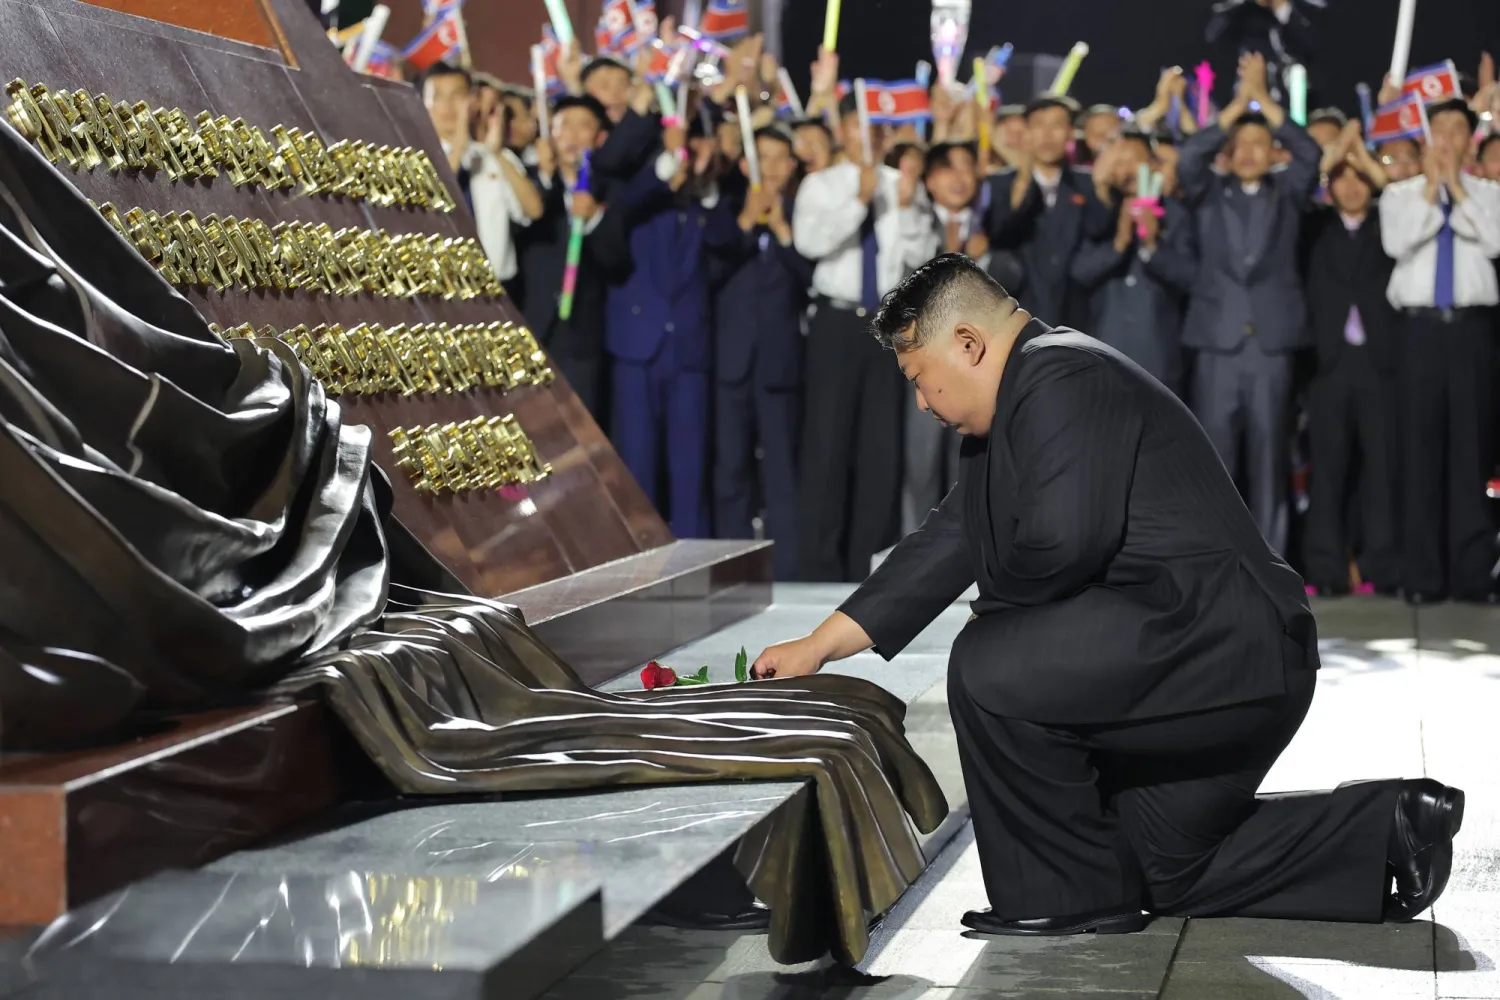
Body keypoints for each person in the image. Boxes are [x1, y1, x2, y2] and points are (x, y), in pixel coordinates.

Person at [750, 252, 1464, 937]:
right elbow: (952, 539)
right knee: (1165, 865)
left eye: (918, 375)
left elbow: (1065, 542)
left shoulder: (1060, 374)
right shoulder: (1023, 396)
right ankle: (1388, 830)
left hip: (1221, 648)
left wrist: (992, 624)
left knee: (990, 666)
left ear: (967, 342)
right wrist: (820, 646)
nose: (921, 401)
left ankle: (1064, 897)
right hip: (1217, 655)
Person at [1177, 52, 1321, 556]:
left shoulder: (1288, 192)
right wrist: (1237, 105)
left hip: (1271, 346)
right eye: (1241, 144)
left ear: (1271, 151)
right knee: (1214, 462)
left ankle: (1270, 564)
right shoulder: (1208, 192)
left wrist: (1268, 104)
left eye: (1260, 144)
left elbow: (1311, 155)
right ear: (1230, 150)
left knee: (1269, 462)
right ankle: (1215, 560)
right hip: (1217, 343)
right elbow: (1189, 156)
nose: (1249, 152)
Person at [792, 91, 938, 581]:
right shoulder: (821, 184)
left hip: (888, 323)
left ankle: (869, 564)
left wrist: (910, 209)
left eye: (877, 129)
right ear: (844, 133)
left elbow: (923, 257)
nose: (868, 137)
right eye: (859, 128)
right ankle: (821, 566)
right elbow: (810, 242)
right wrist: (860, 201)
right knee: (828, 444)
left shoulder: (903, 184)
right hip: (837, 321)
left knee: (880, 446)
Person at [1380, 98, 1500, 604]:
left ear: (1471, 139)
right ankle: (1423, 578)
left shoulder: (1490, 193)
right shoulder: (1402, 194)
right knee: (1419, 450)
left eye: (1458, 128)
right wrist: (1434, 190)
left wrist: (1458, 191)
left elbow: (1494, 241)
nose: (1448, 138)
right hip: (1419, 333)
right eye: (1440, 129)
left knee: (1472, 454)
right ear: (1427, 136)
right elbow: (1397, 244)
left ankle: (1472, 576)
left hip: (1472, 331)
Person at [605, 113, 739, 538]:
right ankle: (639, 556)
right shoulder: (639, 197)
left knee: (690, 467)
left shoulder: (705, 205)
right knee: (638, 465)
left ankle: (691, 560)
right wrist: (668, 160)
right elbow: (628, 201)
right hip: (638, 350)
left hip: (688, 351)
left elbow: (730, 242)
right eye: (688, 146)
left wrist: (705, 181)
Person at [710, 124, 812, 580]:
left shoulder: (801, 215)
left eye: (779, 159)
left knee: (782, 474)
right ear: (746, 164)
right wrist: (747, 222)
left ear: (791, 167)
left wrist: (782, 230)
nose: (770, 168)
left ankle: (787, 570)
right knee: (730, 468)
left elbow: (811, 277)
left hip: (779, 364)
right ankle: (733, 571)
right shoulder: (728, 212)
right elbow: (709, 267)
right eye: (762, 158)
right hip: (732, 361)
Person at [1301, 122, 1400, 596]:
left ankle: (1379, 564)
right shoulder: (1313, 227)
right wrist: (1336, 153)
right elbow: (1300, 188)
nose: (1352, 185)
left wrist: (1365, 160)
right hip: (1329, 366)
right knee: (1329, 470)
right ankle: (1325, 568)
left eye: (1359, 176)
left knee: (1381, 470)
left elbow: (1397, 195)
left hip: (1381, 365)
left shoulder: (1391, 224)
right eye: (1341, 177)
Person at [513, 94, 628, 423]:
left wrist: (594, 220)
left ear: (599, 137)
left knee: (582, 433)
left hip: (582, 337)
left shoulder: (610, 190)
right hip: (532, 330)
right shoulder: (530, 180)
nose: (573, 136)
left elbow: (618, 263)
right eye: (564, 126)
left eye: (584, 127)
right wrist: (544, 179)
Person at [1070, 128, 1196, 395]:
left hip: (1158, 359)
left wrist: (1152, 245)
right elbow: (1079, 272)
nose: (1125, 169)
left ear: (1152, 164)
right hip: (1102, 354)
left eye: (1134, 160)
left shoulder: (1175, 215)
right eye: (1119, 160)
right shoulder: (1098, 213)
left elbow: (1190, 278)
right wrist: (1118, 244)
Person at [904, 141, 988, 534]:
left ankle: (971, 551)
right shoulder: (912, 224)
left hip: (977, 370)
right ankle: (915, 550)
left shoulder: (992, 225)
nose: (958, 178)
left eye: (966, 167)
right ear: (930, 181)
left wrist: (982, 259)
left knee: (969, 466)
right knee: (920, 464)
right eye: (946, 169)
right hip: (923, 365)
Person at [984, 94, 1110, 330]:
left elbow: (1100, 231)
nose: (1047, 135)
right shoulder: (1000, 183)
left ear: (1071, 133)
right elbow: (1000, 234)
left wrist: (1102, 187)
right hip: (1018, 318)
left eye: (1057, 125)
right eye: (1039, 125)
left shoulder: (1087, 183)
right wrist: (1022, 183)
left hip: (1077, 318)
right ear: (1027, 132)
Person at [421, 62, 542, 283]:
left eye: (456, 95)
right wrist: (459, 143)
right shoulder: (416, 157)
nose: (447, 105)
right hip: (444, 287)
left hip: (499, 288)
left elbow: (533, 210)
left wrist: (496, 153)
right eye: (437, 96)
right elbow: (434, 195)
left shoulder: (493, 156)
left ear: (473, 100)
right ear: (423, 104)